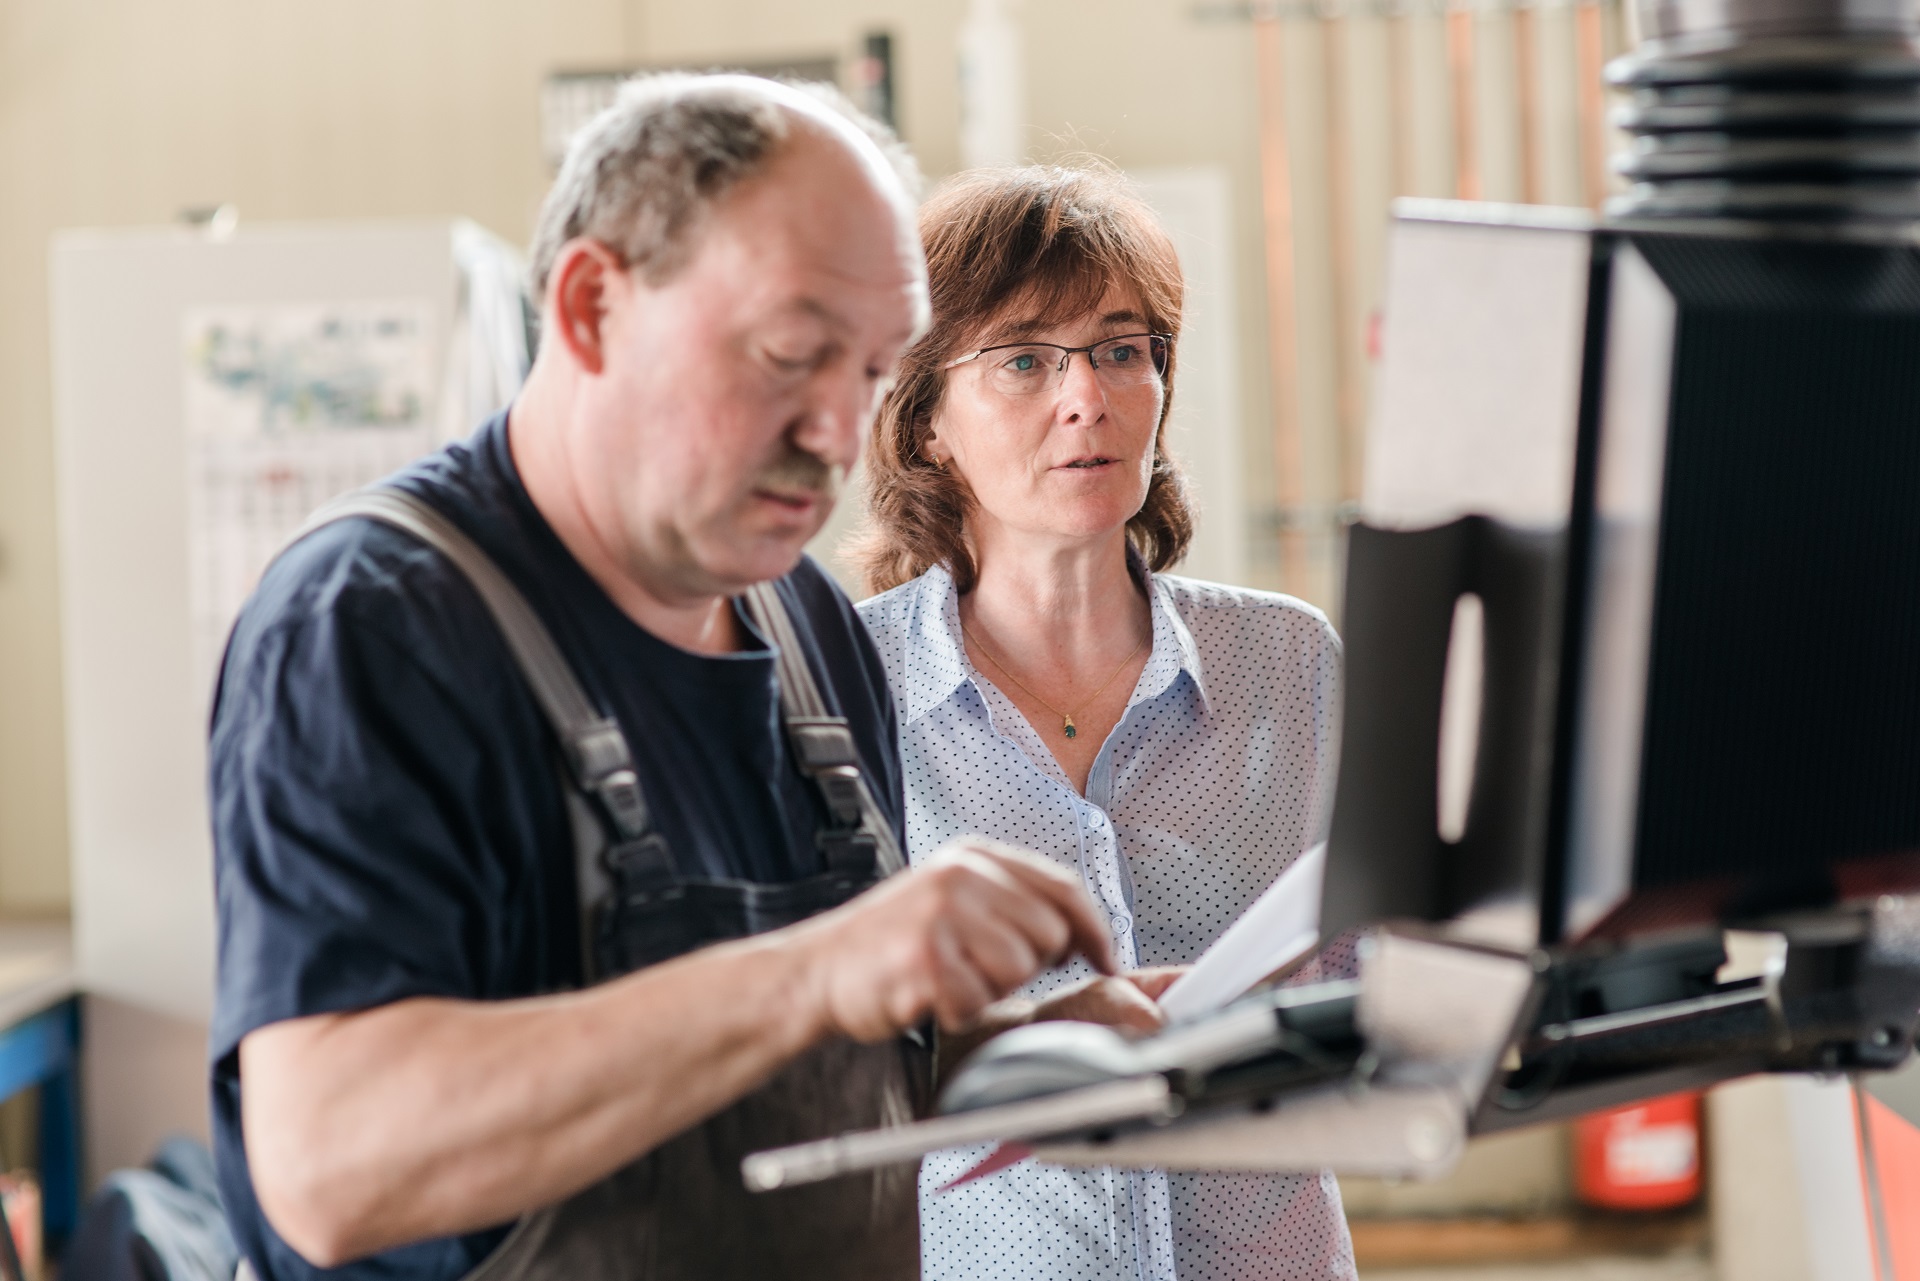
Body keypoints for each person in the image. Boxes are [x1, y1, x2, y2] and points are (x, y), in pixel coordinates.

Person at [209, 77, 1118, 1281]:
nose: (836, 434)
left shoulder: (811, 629)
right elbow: (332, 1169)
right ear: (591, 306)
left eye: (871, 373)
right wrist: (820, 968)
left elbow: (790, 1075)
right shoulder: (376, 628)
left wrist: (1037, 1053)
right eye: (791, 354)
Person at [853, 166, 1357, 1281]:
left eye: (1122, 350)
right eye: (1024, 360)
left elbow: (1390, 990)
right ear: (927, 420)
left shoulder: (1287, 663)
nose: (1087, 396)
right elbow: (813, 1067)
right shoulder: (846, 688)